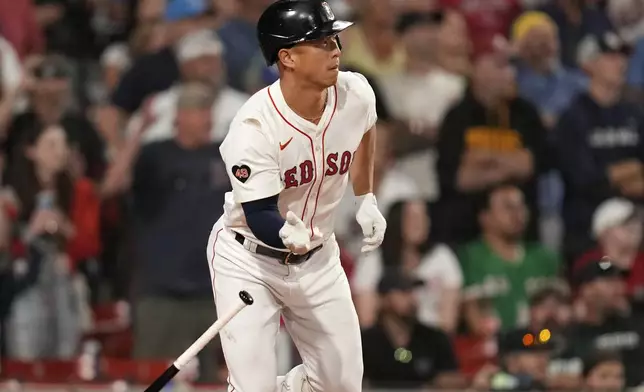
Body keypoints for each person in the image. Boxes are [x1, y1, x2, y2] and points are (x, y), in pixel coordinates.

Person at [207, 1, 387, 392]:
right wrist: (284, 235)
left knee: (341, 385)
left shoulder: (355, 92)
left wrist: (366, 196)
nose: (335, 48)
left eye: (334, 38)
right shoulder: (254, 127)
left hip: (319, 258)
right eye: (320, 41)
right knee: (254, 387)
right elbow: (260, 214)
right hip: (250, 258)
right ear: (286, 57)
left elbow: (366, 131)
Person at [553, 32, 644, 261]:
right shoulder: (573, 118)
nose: (620, 63)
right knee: (601, 280)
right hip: (589, 237)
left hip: (636, 233)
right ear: (588, 64)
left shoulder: (635, 115)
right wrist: (631, 171)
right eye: (610, 57)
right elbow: (584, 180)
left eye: (622, 57)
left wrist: (614, 176)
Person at [458, 183, 562, 330]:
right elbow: (474, 315)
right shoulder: (471, 258)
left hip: (541, 343)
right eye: (508, 207)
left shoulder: (545, 257)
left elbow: (559, 310)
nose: (517, 214)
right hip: (495, 346)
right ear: (485, 217)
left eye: (521, 206)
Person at [352, 200, 462, 332]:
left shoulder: (442, 257)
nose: (420, 223)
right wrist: (389, 304)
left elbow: (449, 322)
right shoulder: (373, 259)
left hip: (431, 340)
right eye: (413, 217)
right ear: (396, 221)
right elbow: (366, 319)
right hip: (385, 340)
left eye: (424, 217)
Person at [361, 268, 463, 389]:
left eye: (413, 291)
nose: (412, 298)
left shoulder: (435, 338)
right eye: (404, 291)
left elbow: (452, 378)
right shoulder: (365, 342)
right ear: (384, 298)